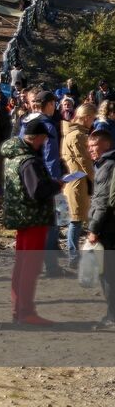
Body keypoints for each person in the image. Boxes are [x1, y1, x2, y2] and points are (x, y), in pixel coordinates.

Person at [1, 117, 61, 325]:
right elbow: (37, 191)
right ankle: (26, 312)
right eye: (44, 139)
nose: (44, 143)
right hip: (33, 217)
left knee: (21, 263)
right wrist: (57, 185)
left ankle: (19, 309)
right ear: (38, 138)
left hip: (20, 217)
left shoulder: (12, 156)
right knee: (31, 265)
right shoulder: (29, 160)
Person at [85, 123, 115, 326]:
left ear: (105, 145)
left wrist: (94, 229)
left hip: (108, 227)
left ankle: (112, 316)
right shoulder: (105, 164)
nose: (90, 150)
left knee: (108, 274)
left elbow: (102, 202)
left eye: (93, 146)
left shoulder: (107, 166)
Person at [62, 104, 96, 270]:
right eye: (92, 118)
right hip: (78, 182)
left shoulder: (73, 134)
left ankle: (76, 255)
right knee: (76, 220)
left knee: (79, 219)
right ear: (86, 117)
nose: (93, 122)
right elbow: (85, 162)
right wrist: (96, 178)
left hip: (77, 181)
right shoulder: (78, 136)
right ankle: (73, 256)